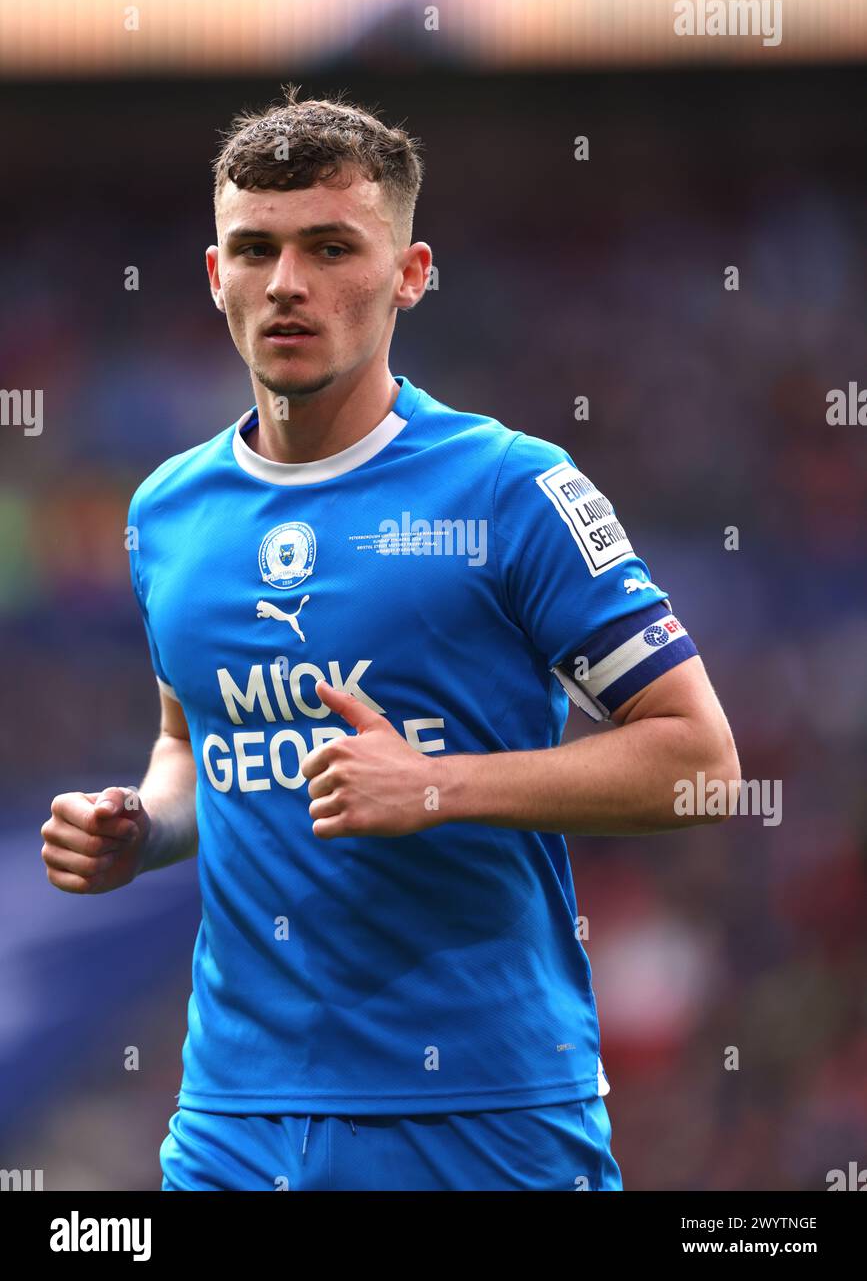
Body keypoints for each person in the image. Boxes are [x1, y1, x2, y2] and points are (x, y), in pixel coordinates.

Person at [42, 84, 740, 1192]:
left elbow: (702, 763)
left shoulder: (512, 487)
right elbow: (194, 742)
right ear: (214, 276)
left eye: (331, 247)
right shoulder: (166, 512)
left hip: (482, 1111)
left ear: (410, 276)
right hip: (234, 1114)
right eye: (256, 249)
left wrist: (437, 787)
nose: (288, 283)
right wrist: (140, 826)